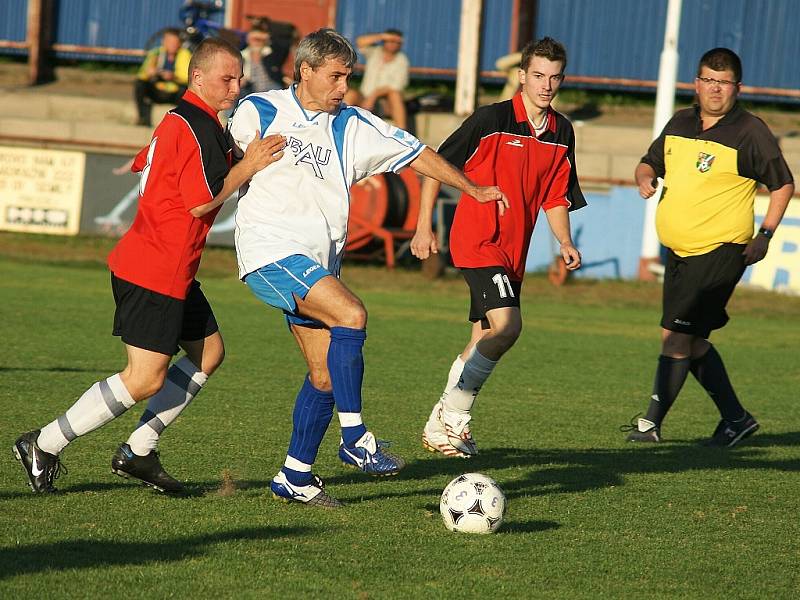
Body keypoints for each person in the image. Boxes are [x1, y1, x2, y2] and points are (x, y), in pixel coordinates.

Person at [228, 28, 507, 507]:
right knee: (352, 315)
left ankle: (294, 477)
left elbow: (419, 154)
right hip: (270, 251)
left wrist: (474, 189)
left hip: (316, 263)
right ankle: (355, 437)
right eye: (335, 77)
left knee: (324, 377)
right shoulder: (260, 111)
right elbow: (217, 156)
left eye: (348, 77)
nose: (343, 87)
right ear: (306, 70)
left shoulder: (354, 125)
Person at [13, 38, 285, 494]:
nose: (236, 86)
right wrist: (249, 164)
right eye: (227, 78)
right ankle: (43, 443)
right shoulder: (197, 126)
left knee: (208, 353)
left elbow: (147, 161)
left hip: (170, 267)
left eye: (239, 77)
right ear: (197, 77)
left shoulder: (186, 121)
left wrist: (233, 157)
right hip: (153, 269)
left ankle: (138, 452)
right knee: (143, 378)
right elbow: (201, 203)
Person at [410, 37, 586, 458]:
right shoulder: (492, 119)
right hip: (478, 240)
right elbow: (437, 164)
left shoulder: (562, 131)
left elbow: (556, 196)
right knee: (508, 327)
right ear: (522, 76)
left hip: (513, 251)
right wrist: (422, 227)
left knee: (484, 334)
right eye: (538, 75)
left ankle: (443, 424)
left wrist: (564, 241)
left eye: (554, 77)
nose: (546, 85)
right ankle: (453, 413)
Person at [624, 48, 794, 446]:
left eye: (724, 83)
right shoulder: (680, 121)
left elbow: (783, 184)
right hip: (679, 253)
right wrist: (644, 177)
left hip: (720, 250)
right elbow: (649, 162)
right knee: (693, 340)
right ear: (696, 84)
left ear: (737, 87)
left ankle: (649, 425)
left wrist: (765, 235)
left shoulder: (750, 131)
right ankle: (737, 419)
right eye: (708, 81)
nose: (715, 90)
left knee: (674, 337)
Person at [343, 29, 409, 130]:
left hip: (385, 102)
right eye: (391, 41)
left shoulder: (402, 60)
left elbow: (395, 87)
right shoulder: (374, 52)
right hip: (364, 97)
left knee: (395, 95)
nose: (394, 44)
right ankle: (340, 125)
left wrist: (374, 96)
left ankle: (403, 135)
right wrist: (382, 36)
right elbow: (360, 42)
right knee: (351, 94)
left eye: (397, 42)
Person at [134, 28, 192, 127]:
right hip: (158, 89)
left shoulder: (185, 54)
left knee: (187, 90)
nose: (172, 45)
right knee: (140, 84)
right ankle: (143, 119)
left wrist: (173, 76)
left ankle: (185, 122)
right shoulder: (155, 53)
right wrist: (151, 72)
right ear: (163, 42)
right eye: (169, 42)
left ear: (179, 43)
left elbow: (187, 77)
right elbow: (142, 74)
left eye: (175, 42)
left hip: (176, 91)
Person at [240, 24, 283, 95]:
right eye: (255, 39)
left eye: (260, 40)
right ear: (248, 39)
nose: (257, 42)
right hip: (250, 88)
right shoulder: (242, 55)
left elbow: (281, 43)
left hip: (271, 88)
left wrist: (266, 37)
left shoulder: (271, 53)